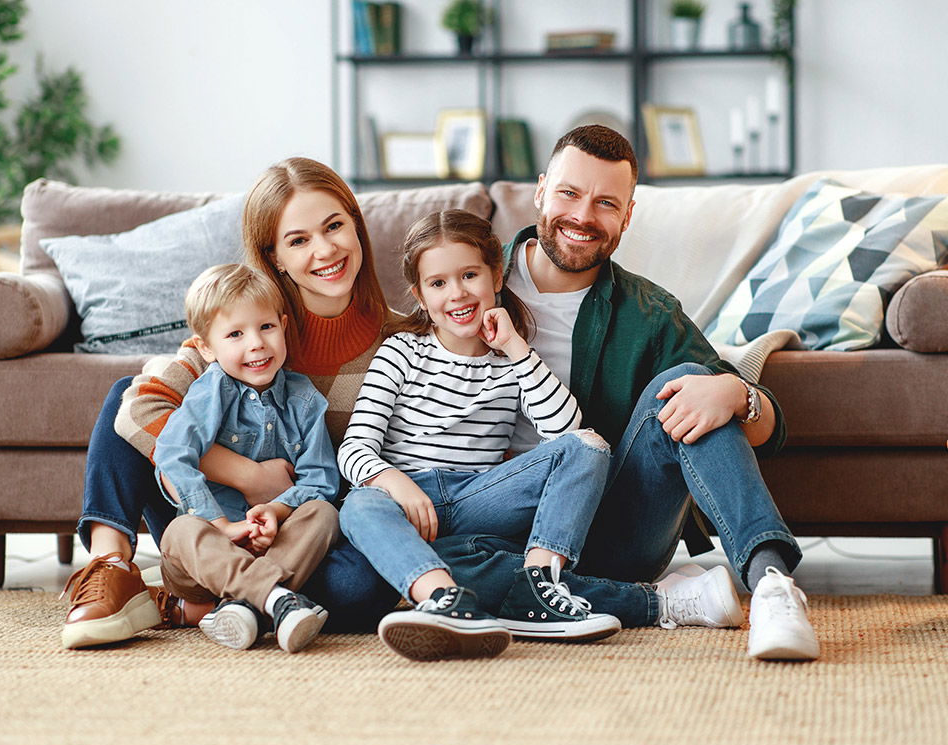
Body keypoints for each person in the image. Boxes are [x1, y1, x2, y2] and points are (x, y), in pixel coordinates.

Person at [430, 125, 820, 661]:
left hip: (611, 531)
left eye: (605, 203)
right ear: (540, 191)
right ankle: (661, 600)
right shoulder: (465, 280)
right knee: (419, 564)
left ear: (627, 216)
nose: (583, 216)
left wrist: (733, 392)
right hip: (488, 529)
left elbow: (770, 428)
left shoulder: (648, 312)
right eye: (569, 193)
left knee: (683, 384)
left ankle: (773, 585)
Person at [61, 157, 401, 649]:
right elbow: (140, 408)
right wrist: (247, 475)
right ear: (276, 256)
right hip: (212, 516)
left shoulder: (402, 341)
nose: (325, 249)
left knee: (359, 587)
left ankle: (211, 604)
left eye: (334, 226)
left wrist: (281, 507)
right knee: (125, 392)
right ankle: (112, 566)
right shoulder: (248, 318)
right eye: (299, 239)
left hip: (301, 528)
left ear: (357, 226)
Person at [337, 210, 621, 661]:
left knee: (589, 447)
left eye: (470, 275)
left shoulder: (513, 359)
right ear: (420, 295)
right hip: (404, 499)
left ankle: (537, 586)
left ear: (496, 276)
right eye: (438, 283)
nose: (457, 294)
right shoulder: (402, 352)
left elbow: (566, 432)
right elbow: (354, 449)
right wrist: (396, 483)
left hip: (477, 497)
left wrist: (515, 348)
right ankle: (446, 599)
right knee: (358, 508)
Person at [152, 264, 339, 653]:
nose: (256, 344)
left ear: (284, 326)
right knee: (179, 532)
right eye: (235, 334)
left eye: (266, 327)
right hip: (207, 561)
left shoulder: (304, 400)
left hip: (275, 550)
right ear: (206, 347)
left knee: (324, 514)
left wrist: (277, 510)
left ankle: (243, 607)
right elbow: (171, 454)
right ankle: (275, 601)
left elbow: (321, 481)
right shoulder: (212, 390)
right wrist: (219, 525)